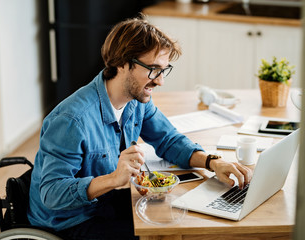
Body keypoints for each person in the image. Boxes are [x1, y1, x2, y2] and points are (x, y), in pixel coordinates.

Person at [28, 15, 252, 240]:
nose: (160, 81)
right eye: (153, 69)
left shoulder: (136, 100)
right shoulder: (71, 120)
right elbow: (51, 193)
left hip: (105, 203)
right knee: (165, 234)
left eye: (164, 70)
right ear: (122, 63)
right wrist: (115, 179)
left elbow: (168, 140)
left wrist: (213, 162)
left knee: (185, 219)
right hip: (69, 222)